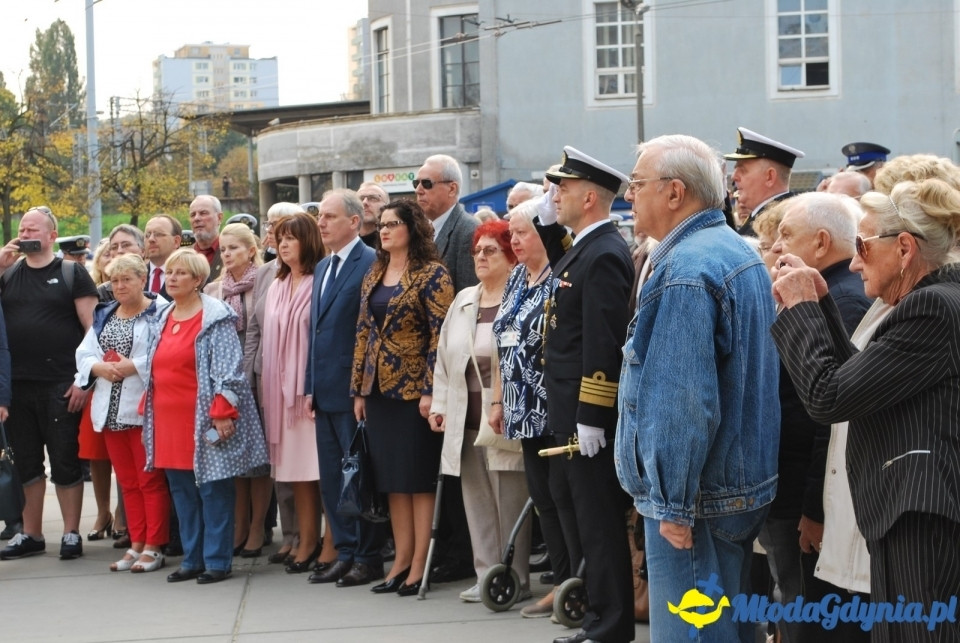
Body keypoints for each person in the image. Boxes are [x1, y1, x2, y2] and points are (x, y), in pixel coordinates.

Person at [771, 179, 960, 643]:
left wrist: (798, 309)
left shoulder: (933, 307)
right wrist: (820, 307)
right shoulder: (929, 301)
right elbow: (862, 384)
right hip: (909, 512)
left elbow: (829, 399)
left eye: (862, 245)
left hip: (920, 516)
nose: (854, 261)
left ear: (904, 248)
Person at [616, 135, 780, 643]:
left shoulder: (687, 269)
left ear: (674, 193)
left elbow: (683, 401)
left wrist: (672, 503)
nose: (628, 195)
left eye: (637, 183)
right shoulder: (730, 250)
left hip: (701, 501)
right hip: (732, 488)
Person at [763, 192, 871, 643]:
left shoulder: (840, 301)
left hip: (805, 497)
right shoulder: (824, 293)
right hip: (796, 487)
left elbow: (829, 419)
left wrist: (813, 509)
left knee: (809, 612)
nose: (776, 247)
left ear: (821, 242)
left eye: (786, 235)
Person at [542, 146, 635, 643]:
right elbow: (562, 269)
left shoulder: (605, 253)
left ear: (592, 197)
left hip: (587, 413)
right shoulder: (587, 246)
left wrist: (593, 414)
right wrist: (543, 221)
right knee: (585, 519)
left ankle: (611, 626)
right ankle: (602, 619)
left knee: (599, 524)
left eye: (564, 188)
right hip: (570, 407)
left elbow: (603, 341)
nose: (556, 195)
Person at [143, 249, 269, 584]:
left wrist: (222, 412)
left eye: (181, 273)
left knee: (214, 490)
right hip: (168, 420)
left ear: (198, 280)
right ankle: (192, 558)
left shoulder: (216, 315)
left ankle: (216, 560)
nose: (172, 278)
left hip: (203, 418)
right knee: (182, 492)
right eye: (170, 272)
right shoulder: (163, 315)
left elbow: (230, 371)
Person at [352, 199, 454, 597]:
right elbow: (363, 331)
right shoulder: (375, 271)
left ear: (413, 227)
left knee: (417, 480)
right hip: (379, 391)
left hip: (415, 393)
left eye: (394, 223)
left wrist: (431, 389)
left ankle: (418, 565)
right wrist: (359, 389)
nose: (385, 230)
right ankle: (399, 561)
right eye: (382, 224)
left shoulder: (433, 274)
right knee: (392, 481)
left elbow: (439, 337)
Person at [430, 219, 531, 603]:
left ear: (509, 255)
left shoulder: (520, 298)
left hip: (502, 417)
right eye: (477, 251)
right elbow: (443, 357)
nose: (481, 257)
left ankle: (516, 578)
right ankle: (486, 574)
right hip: (465, 417)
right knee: (476, 500)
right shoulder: (464, 300)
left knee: (510, 499)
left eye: (490, 250)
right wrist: (439, 405)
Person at [490, 199, 580, 619]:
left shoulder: (559, 278)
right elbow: (501, 339)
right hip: (520, 406)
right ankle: (561, 581)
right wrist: (498, 400)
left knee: (563, 495)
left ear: (543, 234)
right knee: (543, 496)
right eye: (511, 234)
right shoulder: (515, 280)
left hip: (553, 405)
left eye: (522, 233)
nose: (514, 241)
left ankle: (576, 581)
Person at [0, 206, 98, 562]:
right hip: (18, 386)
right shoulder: (8, 274)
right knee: (26, 462)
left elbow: (92, 330)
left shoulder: (72, 273)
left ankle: (71, 532)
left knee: (64, 461)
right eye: (22, 228)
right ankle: (31, 533)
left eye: (34, 229)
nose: (26, 234)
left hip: (60, 383)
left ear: (52, 236)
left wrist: (84, 381)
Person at [304, 189, 385, 586]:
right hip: (324, 392)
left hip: (353, 393)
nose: (321, 222)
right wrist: (309, 385)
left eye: (330, 216)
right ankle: (345, 551)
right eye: (320, 216)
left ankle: (367, 556)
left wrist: (362, 389)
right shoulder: (322, 267)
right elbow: (316, 332)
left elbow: (369, 333)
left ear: (355, 221)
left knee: (358, 474)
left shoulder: (370, 262)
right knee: (334, 477)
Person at [75, 254, 170, 573]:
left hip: (144, 410)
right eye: (114, 281)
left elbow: (167, 353)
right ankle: (137, 543)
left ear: (142, 280)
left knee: (150, 481)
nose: (119, 286)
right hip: (110, 411)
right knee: (128, 482)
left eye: (126, 279)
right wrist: (97, 366)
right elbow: (84, 353)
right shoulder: (105, 313)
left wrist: (136, 366)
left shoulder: (160, 312)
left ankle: (155, 546)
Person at [413, 153, 479, 584]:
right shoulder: (424, 233)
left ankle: (460, 553)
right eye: (416, 184)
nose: (418, 191)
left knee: (458, 467)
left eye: (426, 184)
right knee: (440, 463)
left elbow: (468, 303)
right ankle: (450, 549)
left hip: (457, 367)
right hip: (430, 367)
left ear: (451, 189)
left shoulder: (467, 231)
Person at [262, 213, 328, 575]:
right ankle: (306, 539)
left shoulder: (319, 280)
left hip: (307, 394)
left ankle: (327, 541)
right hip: (280, 394)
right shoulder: (277, 283)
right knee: (297, 473)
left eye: (291, 238)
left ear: (308, 240)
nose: (283, 244)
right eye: (279, 238)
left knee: (319, 470)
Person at [203, 222, 271, 559]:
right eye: (224, 249)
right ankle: (239, 525)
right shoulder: (215, 289)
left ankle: (258, 525)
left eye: (234, 248)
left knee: (259, 460)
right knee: (237, 456)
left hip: (257, 375)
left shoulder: (265, 280)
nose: (228, 254)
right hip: (227, 379)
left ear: (251, 249)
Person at [244, 202, 303, 565]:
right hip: (268, 378)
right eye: (273, 228)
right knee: (279, 462)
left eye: (286, 231)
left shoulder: (314, 272)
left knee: (304, 463)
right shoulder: (266, 274)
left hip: (298, 383)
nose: (277, 238)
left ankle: (312, 534)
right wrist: (251, 373)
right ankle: (291, 533)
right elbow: (254, 327)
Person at [724, 127, 805, 237]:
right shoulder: (765, 216)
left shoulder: (782, 223)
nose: (734, 177)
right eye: (735, 170)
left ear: (769, 177)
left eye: (743, 170)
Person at [97, 224, 146, 302]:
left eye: (126, 245)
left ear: (143, 250)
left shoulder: (156, 282)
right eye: (114, 247)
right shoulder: (104, 292)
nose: (120, 251)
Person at [144, 214, 183, 298]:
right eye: (147, 235)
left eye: (158, 234)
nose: (151, 239)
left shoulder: (191, 275)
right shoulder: (137, 275)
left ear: (176, 241)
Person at [189, 194, 224, 282]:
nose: (196, 218)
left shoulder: (232, 253)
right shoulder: (183, 256)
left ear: (219, 218)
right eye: (193, 215)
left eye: (203, 213)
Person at [357, 182, 389, 248]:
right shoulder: (343, 243)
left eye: (373, 198)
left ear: (386, 206)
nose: (364, 202)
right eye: (361, 199)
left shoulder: (392, 244)